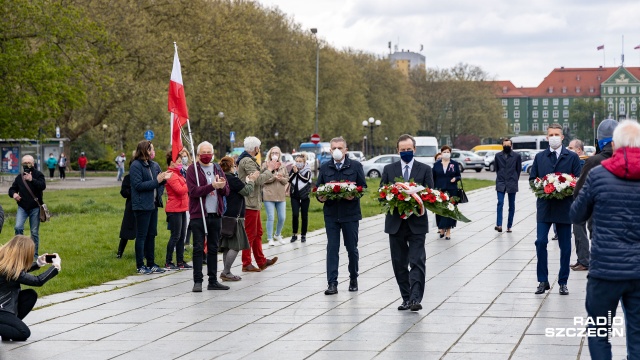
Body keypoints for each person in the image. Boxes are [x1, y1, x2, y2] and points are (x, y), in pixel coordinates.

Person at [570, 120, 640, 359]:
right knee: (638, 333)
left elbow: (576, 214)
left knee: (599, 331)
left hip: (605, 271)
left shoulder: (598, 175)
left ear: (614, 143)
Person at [381, 134, 434, 311]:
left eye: (408, 150)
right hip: (395, 223)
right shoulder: (389, 169)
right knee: (399, 262)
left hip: (417, 222)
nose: (405, 152)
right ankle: (405, 297)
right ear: (397, 150)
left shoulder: (425, 169)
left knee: (417, 260)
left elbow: (430, 195)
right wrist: (394, 198)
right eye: (402, 150)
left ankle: (415, 299)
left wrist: (416, 200)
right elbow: (382, 196)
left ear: (414, 150)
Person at [529, 123, 582, 295]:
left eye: (556, 134)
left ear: (562, 137)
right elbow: (532, 179)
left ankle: (563, 281)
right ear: (546, 137)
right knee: (540, 242)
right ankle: (542, 280)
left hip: (564, 207)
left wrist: (566, 186)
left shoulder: (572, 157)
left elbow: (578, 179)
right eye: (551, 134)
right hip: (545, 206)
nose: (553, 137)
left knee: (565, 246)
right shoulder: (540, 157)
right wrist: (541, 186)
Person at [316, 137, 367, 295]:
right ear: (330, 150)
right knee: (332, 248)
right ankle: (332, 283)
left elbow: (362, 187)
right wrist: (320, 197)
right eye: (334, 148)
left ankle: (353, 278)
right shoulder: (325, 168)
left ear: (345, 150)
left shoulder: (356, 166)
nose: (337, 150)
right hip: (331, 214)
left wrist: (354, 195)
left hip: (350, 214)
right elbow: (318, 188)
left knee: (351, 248)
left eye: (340, 147)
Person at [186, 141, 230, 292]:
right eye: (203, 152)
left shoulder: (217, 168)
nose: (206, 155)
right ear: (198, 154)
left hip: (215, 214)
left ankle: (213, 280)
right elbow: (193, 191)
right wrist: (212, 186)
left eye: (209, 152)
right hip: (199, 214)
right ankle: (197, 281)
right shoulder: (193, 170)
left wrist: (222, 187)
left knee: (213, 248)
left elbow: (227, 191)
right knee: (198, 248)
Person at [0, 235, 60, 341]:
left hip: (5, 307)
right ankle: (9, 329)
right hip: (2, 310)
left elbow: (20, 272)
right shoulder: (10, 270)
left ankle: (9, 330)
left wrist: (38, 263)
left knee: (30, 295)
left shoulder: (5, 264)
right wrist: (55, 268)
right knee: (23, 333)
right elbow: (38, 281)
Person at [236, 136, 279, 273]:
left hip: (254, 202)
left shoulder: (248, 160)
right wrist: (269, 170)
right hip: (249, 202)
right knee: (249, 233)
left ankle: (261, 261)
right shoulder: (247, 161)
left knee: (257, 232)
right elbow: (258, 180)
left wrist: (269, 171)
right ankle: (246, 263)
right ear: (256, 148)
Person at [129, 141, 169, 275]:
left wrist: (163, 180)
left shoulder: (154, 165)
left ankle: (151, 263)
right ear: (145, 150)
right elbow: (138, 185)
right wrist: (156, 182)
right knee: (142, 236)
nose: (153, 151)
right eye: (151, 149)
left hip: (153, 205)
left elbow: (160, 182)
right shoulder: (135, 165)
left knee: (151, 235)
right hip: (141, 206)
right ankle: (140, 265)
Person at [219, 156, 258, 281]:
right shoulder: (233, 179)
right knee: (235, 245)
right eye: (234, 166)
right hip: (235, 217)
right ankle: (226, 271)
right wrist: (251, 180)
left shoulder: (221, 178)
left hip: (224, 216)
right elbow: (247, 191)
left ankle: (226, 272)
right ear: (232, 167)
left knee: (227, 245)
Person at [8, 155, 46, 258]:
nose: (27, 165)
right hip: (22, 208)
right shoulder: (19, 177)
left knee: (34, 232)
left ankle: (34, 256)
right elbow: (12, 189)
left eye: (29, 163)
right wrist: (14, 194)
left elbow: (43, 186)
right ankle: (19, 253)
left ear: (33, 164)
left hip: (35, 208)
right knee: (18, 227)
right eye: (24, 163)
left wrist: (31, 179)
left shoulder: (38, 175)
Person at [164, 151, 190, 270]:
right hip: (174, 208)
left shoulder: (178, 173)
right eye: (179, 161)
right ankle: (168, 261)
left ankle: (180, 261)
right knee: (176, 235)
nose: (181, 163)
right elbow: (179, 190)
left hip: (182, 207)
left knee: (182, 236)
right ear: (172, 162)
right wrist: (190, 183)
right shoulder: (171, 175)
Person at [567, 138, 589, 272]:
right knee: (577, 231)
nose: (568, 150)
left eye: (570, 148)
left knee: (580, 231)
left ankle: (585, 261)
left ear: (578, 150)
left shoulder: (582, 162)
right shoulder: (578, 161)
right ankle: (580, 259)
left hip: (581, 201)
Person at [432, 145, 461, 240]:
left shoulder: (454, 164)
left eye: (448, 152)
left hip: (451, 190)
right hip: (439, 191)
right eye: (444, 152)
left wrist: (455, 178)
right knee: (440, 210)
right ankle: (441, 228)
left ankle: (448, 231)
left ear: (450, 153)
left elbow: (459, 176)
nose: (446, 153)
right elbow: (433, 177)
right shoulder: (436, 165)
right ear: (441, 153)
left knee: (450, 210)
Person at [262, 146, 288, 246]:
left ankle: (277, 234)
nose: (274, 155)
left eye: (276, 153)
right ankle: (270, 238)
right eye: (273, 153)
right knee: (271, 217)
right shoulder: (265, 165)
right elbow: (263, 179)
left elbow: (286, 179)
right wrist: (273, 177)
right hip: (269, 195)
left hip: (280, 195)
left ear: (279, 154)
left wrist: (281, 178)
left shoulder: (283, 166)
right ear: (269, 154)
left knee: (282, 217)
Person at [494, 138, 522, 233]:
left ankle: (509, 226)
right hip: (501, 182)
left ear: (511, 145)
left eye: (508, 145)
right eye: (504, 145)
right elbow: (497, 169)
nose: (506, 146)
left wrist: (514, 178)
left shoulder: (516, 156)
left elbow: (518, 169)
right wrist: (501, 177)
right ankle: (499, 225)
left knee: (511, 205)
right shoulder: (498, 156)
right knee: (500, 203)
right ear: (502, 145)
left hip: (512, 182)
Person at [289, 153, 312, 243]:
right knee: (295, 214)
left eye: (300, 161)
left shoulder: (308, 171)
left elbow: (305, 179)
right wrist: (294, 172)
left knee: (304, 215)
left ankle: (303, 234)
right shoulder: (293, 169)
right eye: (297, 161)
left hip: (305, 196)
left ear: (304, 162)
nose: (298, 163)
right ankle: (294, 234)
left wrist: (297, 173)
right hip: (294, 195)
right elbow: (289, 179)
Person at [117, 154, 136, 259]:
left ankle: (141, 252)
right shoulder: (128, 178)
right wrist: (133, 190)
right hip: (130, 206)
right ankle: (120, 252)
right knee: (126, 230)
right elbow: (123, 192)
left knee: (141, 232)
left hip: (141, 206)